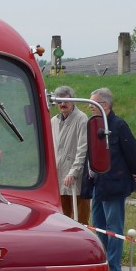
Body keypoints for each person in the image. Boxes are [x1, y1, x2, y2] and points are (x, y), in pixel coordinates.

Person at [87, 87, 136, 271]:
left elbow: (132, 153)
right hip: (98, 184)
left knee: (114, 228)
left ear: (105, 105)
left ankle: (114, 268)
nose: (90, 108)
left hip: (114, 184)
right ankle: (102, 264)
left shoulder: (119, 126)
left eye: (93, 104)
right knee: (98, 226)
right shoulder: (94, 125)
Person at [51, 85, 90, 224]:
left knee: (81, 216)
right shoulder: (54, 121)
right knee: (63, 217)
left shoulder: (81, 119)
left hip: (76, 177)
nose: (62, 104)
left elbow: (83, 148)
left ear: (73, 101)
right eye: (59, 101)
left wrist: (74, 172)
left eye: (65, 101)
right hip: (58, 175)